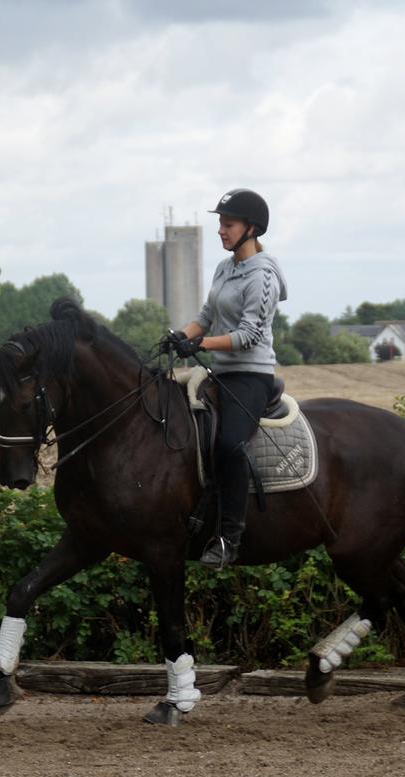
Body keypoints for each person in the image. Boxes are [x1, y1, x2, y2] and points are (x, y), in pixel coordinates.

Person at [168, 188, 288, 569]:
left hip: (250, 377)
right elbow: (205, 315)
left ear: (251, 228)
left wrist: (200, 344)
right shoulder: (225, 268)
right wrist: (179, 336)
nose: (220, 230)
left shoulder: (264, 275)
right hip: (219, 373)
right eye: (220, 223)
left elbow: (249, 335)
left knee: (230, 446)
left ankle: (229, 538)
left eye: (227, 224)